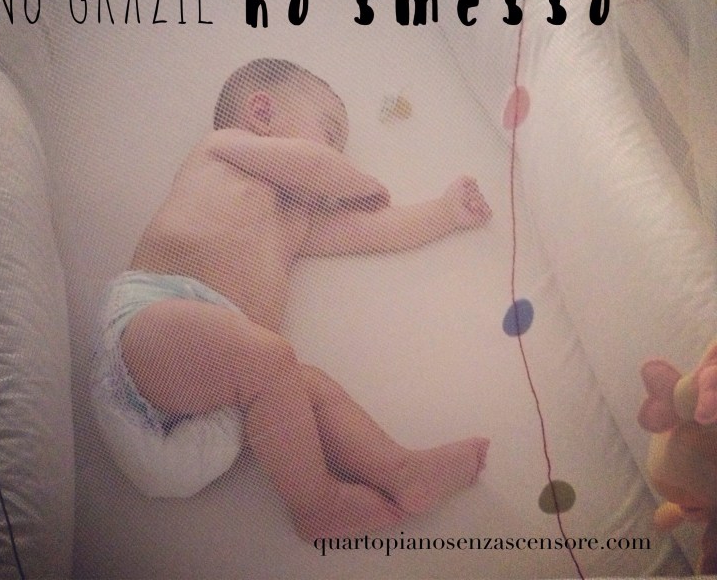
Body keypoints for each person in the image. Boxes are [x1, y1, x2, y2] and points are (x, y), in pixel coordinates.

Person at [103, 58, 492, 540]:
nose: (337, 153)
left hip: (224, 399)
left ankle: (400, 471)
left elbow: (371, 232)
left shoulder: (294, 219)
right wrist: (358, 182)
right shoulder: (222, 150)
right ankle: (317, 504)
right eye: (330, 134)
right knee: (271, 359)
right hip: (150, 331)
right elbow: (315, 167)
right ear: (262, 113)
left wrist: (444, 213)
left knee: (306, 385)